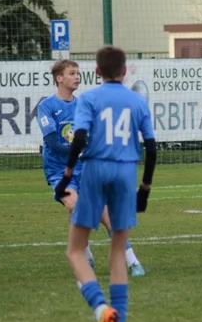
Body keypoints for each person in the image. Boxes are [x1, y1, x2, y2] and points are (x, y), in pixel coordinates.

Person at [54, 47, 156, 322]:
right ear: (125, 71)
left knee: (75, 250)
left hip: (96, 169)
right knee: (117, 249)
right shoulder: (137, 101)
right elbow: (151, 146)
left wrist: (67, 175)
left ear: (97, 72)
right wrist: (145, 188)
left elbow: (81, 138)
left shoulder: (88, 98)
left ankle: (101, 310)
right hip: (126, 172)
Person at [38, 59, 145, 276]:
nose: (76, 76)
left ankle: (133, 262)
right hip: (60, 171)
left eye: (78, 73)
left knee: (107, 216)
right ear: (59, 78)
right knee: (74, 206)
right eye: (71, 73)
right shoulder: (46, 106)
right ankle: (84, 253)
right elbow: (52, 144)